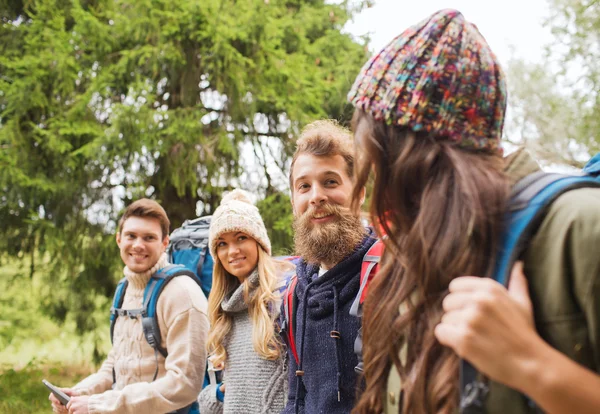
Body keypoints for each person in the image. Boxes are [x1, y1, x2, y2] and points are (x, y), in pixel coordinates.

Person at [347, 8, 600, 414]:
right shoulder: (414, 252)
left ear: (415, 160)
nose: (371, 182)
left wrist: (533, 366)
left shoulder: (581, 227)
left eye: (375, 156)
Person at [49, 198, 209, 414]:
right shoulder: (124, 288)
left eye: (149, 237)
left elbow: (185, 384)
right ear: (118, 240)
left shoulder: (182, 294)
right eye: (131, 236)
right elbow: (117, 364)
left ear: (164, 243)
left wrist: (100, 405)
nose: (138, 245)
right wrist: (80, 392)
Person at [282, 120, 378, 414]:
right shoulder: (296, 291)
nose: (316, 196)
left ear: (359, 192)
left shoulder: (388, 276)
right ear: (294, 201)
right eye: (304, 186)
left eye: (330, 182)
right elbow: (296, 397)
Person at [197, 189, 293, 414]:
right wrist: (220, 393)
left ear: (259, 242)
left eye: (241, 238)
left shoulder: (284, 296)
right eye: (222, 244)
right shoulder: (224, 310)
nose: (232, 251)